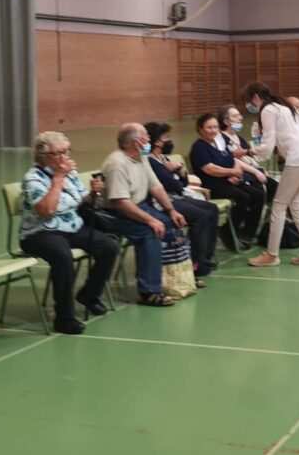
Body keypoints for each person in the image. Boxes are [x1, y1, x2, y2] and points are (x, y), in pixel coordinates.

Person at [19, 132, 119, 334]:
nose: (65, 157)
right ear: (44, 156)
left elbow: (82, 201)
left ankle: (89, 295)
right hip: (41, 232)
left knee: (109, 246)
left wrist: (93, 193)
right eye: (59, 153)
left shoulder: (70, 174)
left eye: (67, 151)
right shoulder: (33, 178)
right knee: (62, 256)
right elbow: (46, 211)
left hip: (71, 227)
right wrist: (58, 178)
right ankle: (64, 317)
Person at [101, 123, 185, 307]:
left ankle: (177, 279)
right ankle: (149, 291)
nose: (149, 139)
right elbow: (121, 203)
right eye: (146, 136)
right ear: (135, 142)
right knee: (151, 231)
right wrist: (151, 220)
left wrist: (171, 210)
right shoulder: (117, 164)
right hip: (116, 214)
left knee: (172, 224)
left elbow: (155, 186)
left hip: (138, 205)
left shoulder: (141, 157)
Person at [243, 83, 299, 268]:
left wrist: (249, 151)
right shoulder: (284, 106)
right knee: (296, 204)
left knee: (279, 205)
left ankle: (272, 255)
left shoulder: (268, 110)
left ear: (255, 97)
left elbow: (267, 147)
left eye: (249, 101)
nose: (249, 105)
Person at [143, 122, 219, 285]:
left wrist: (179, 171)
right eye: (165, 137)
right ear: (157, 141)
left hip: (177, 196)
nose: (168, 140)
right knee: (201, 216)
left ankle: (206, 257)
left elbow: (182, 183)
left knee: (212, 209)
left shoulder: (163, 158)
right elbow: (173, 185)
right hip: (163, 202)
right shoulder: (150, 161)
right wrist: (172, 172)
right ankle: (195, 262)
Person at [190, 114, 267, 250]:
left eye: (215, 127)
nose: (213, 130)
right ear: (200, 129)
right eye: (209, 127)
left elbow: (232, 160)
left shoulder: (219, 144)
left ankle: (247, 233)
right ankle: (228, 231)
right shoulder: (199, 147)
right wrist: (231, 172)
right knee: (243, 197)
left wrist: (236, 173)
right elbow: (210, 169)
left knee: (258, 194)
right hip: (212, 185)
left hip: (228, 180)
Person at [218, 105, 278, 205]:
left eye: (239, 115)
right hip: (238, 172)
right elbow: (229, 158)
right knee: (263, 189)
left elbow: (251, 157)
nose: (240, 118)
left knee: (274, 186)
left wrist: (260, 169)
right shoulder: (221, 138)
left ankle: (266, 209)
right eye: (235, 116)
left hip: (251, 169)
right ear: (226, 121)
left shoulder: (239, 138)